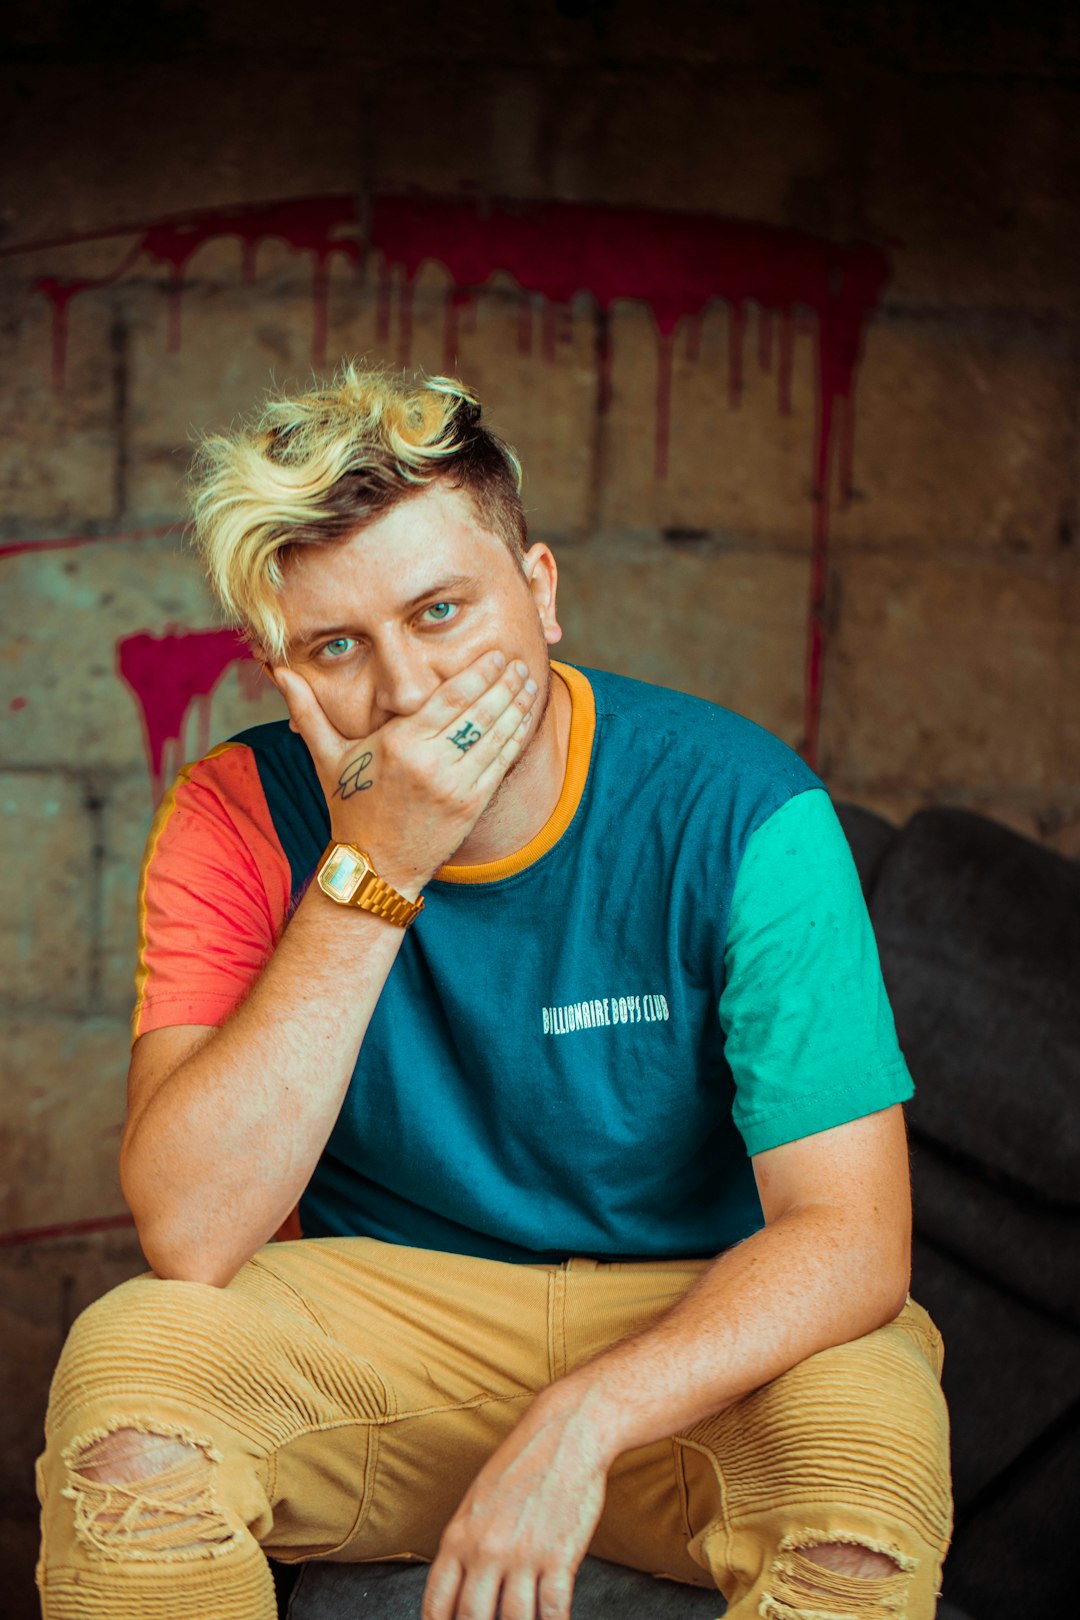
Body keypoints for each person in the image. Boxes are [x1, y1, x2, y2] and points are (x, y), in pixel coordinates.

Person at [36, 361, 952, 1620]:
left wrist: (590, 1414)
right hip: (388, 1330)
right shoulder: (236, 814)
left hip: (692, 1320)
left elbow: (851, 1236)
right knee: (132, 1369)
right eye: (338, 648)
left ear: (541, 592)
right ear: (280, 673)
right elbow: (192, 1236)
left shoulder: (743, 809)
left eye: (442, 612)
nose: (409, 694)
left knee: (869, 1440)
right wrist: (377, 866)